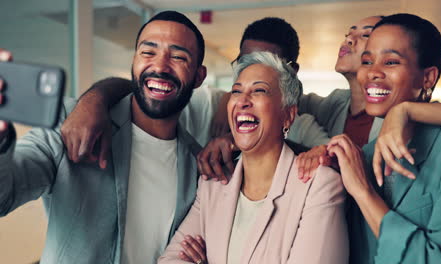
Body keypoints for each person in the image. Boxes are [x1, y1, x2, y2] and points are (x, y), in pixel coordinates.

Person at [0, 11, 207, 263]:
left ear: (198, 76)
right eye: (148, 52)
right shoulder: (73, 121)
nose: (160, 66)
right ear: (134, 61)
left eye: (178, 57)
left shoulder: (198, 166)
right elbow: (4, 194)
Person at [60, 17, 329, 171]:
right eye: (246, 63)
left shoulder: (301, 125)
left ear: (291, 72)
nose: (253, 74)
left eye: (267, 66)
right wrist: (93, 102)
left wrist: (248, 144)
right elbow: (145, 88)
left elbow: (336, 160)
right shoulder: (205, 103)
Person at [158, 51, 348, 264]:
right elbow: (171, 260)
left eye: (259, 90)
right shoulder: (213, 184)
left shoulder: (319, 185)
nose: (242, 101)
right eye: (236, 92)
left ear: (288, 115)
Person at [327, 13, 441, 263]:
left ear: (428, 77)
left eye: (391, 62)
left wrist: (364, 193)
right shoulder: (364, 157)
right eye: (367, 62)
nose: (373, 73)